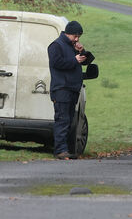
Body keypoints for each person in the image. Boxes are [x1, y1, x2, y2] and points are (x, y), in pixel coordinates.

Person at [47, 20, 94, 159]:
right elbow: (56, 63)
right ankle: (60, 150)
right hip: (61, 88)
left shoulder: (71, 46)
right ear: (68, 33)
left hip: (72, 89)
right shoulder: (56, 46)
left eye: (79, 36)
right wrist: (75, 60)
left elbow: (86, 60)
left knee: (68, 121)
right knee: (62, 120)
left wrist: (82, 51)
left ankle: (65, 149)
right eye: (75, 36)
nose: (77, 39)